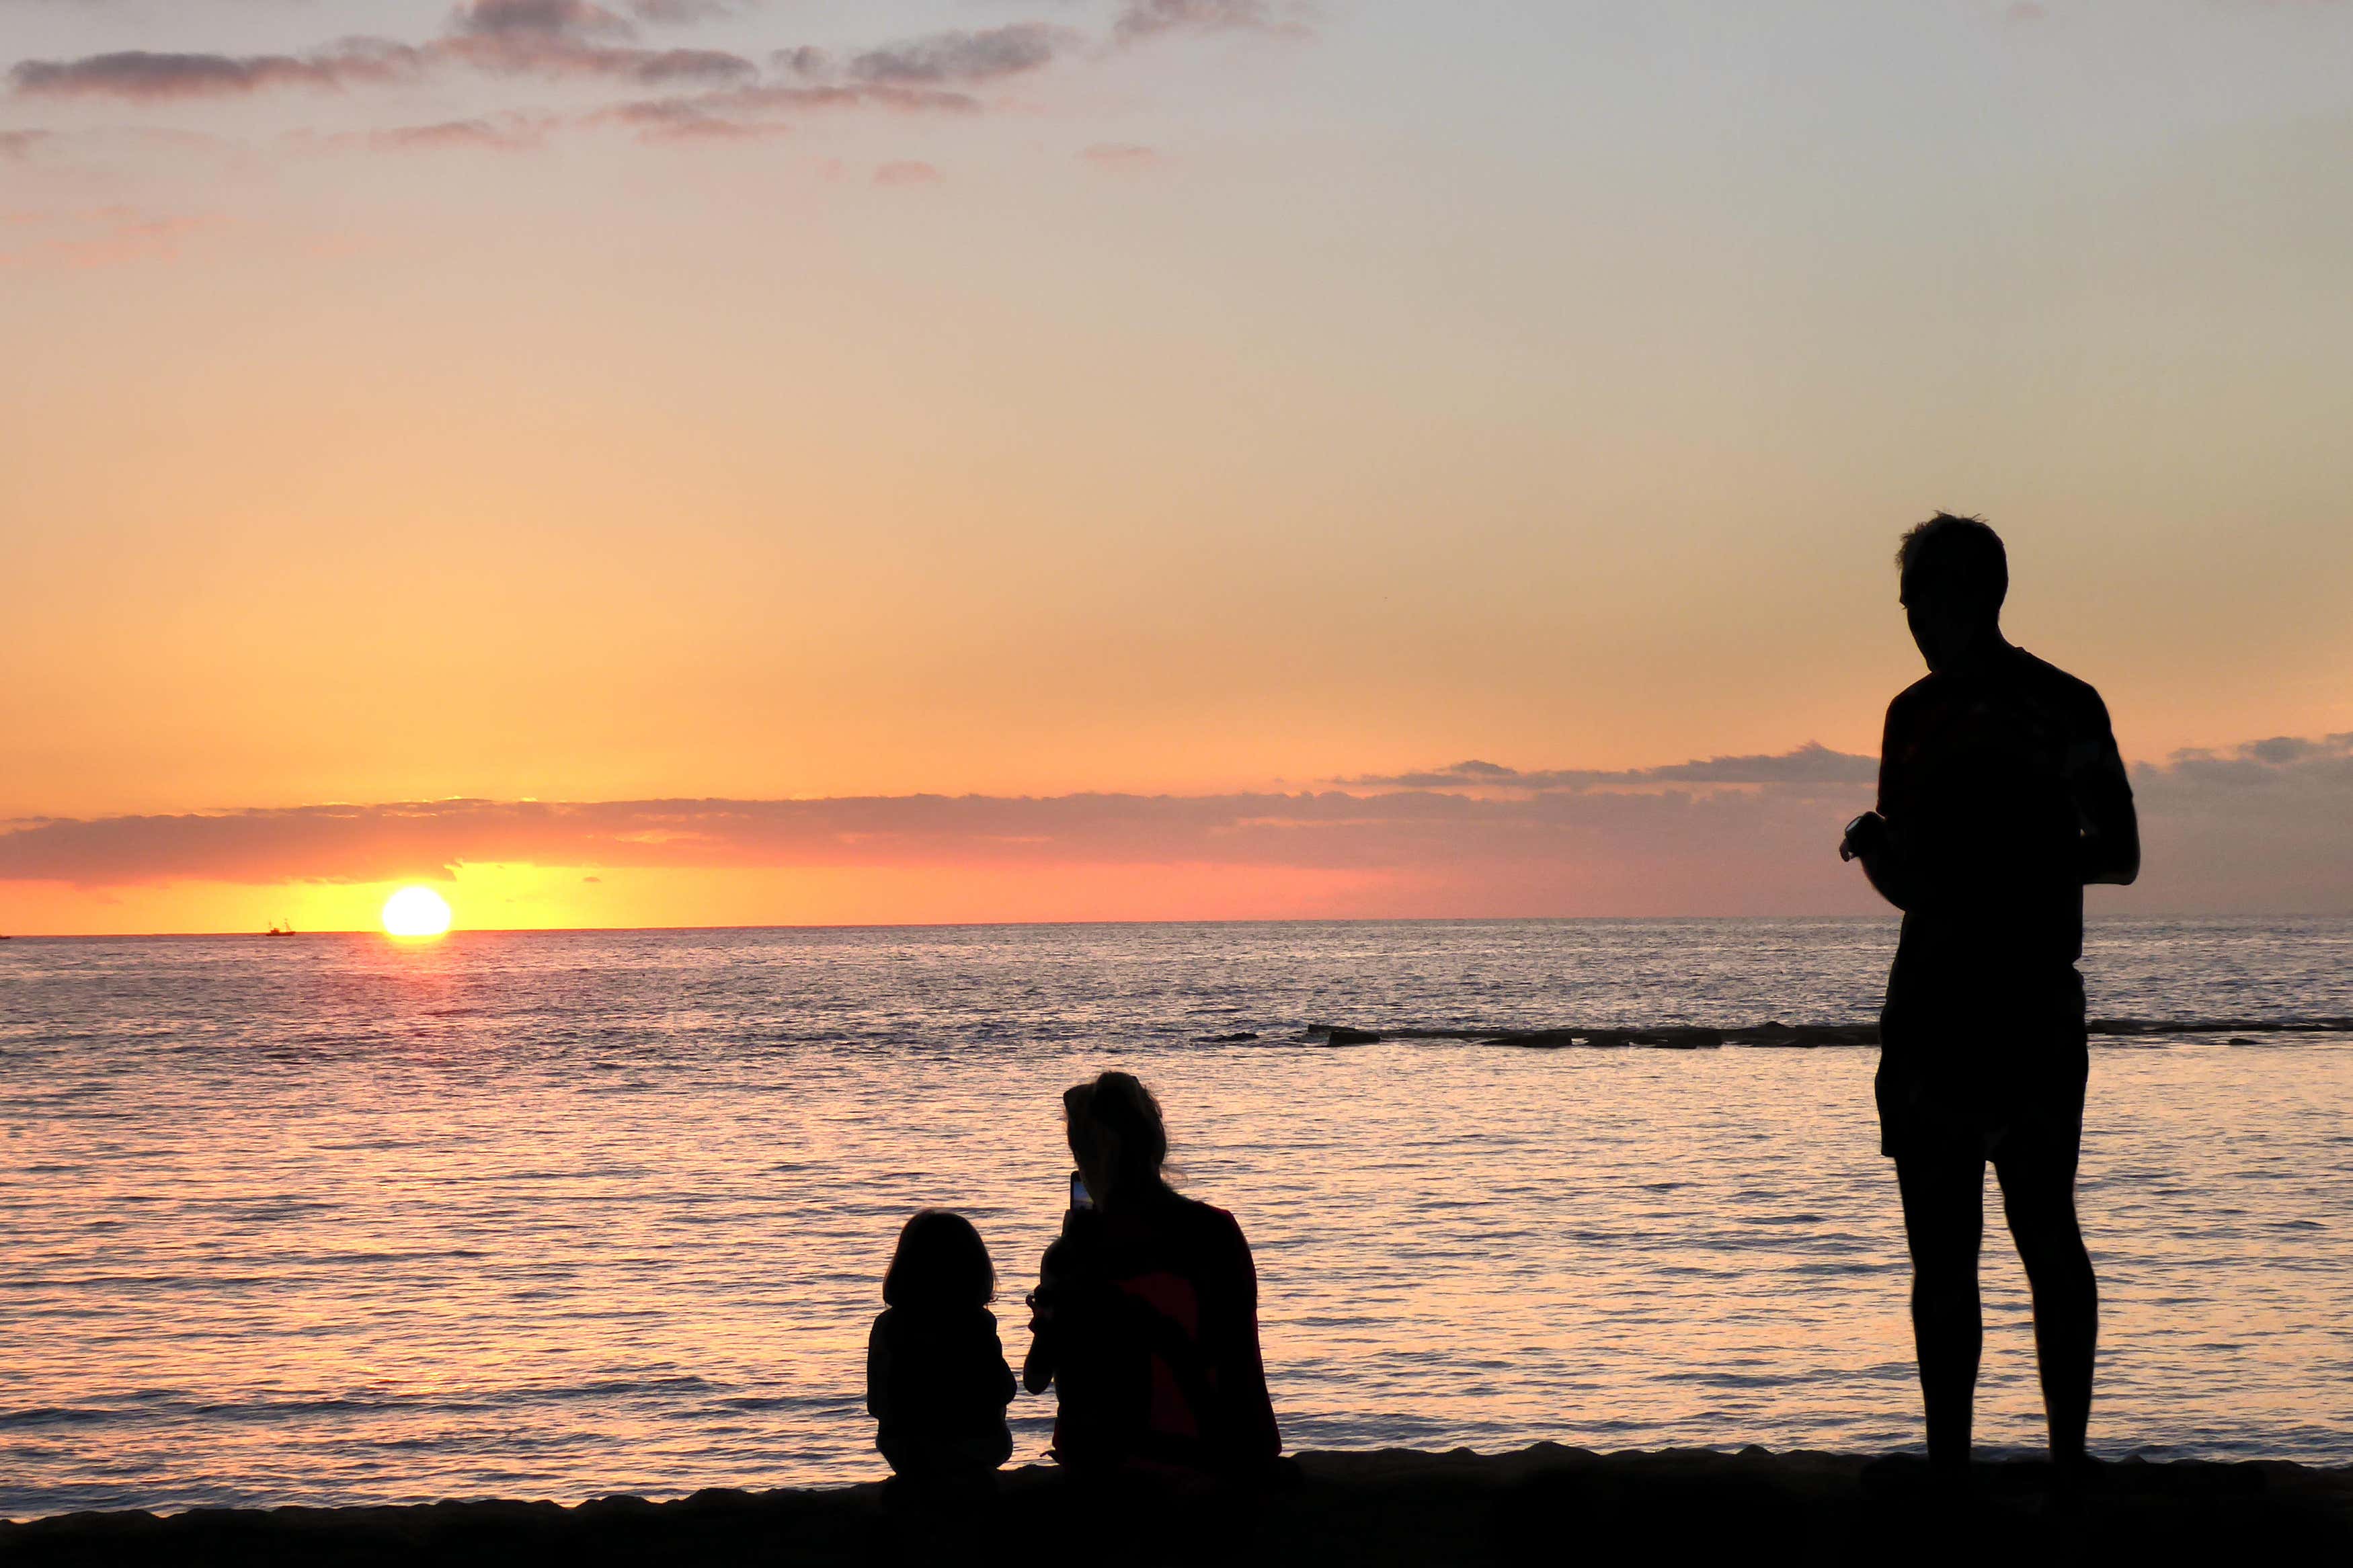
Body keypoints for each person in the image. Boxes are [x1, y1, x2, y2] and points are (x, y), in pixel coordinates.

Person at [1841, 513, 2139, 1479]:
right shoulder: (1909, 717)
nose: (1917, 623)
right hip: (1931, 1013)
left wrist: (2014, 862)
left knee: (2046, 1237)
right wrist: (1880, 854)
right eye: (1909, 606)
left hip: (2027, 1013)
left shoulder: (2064, 708)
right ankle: (1949, 1471)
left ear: (1975, 595)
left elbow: (2121, 855)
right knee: (1943, 1261)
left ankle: (2067, 1463)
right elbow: (1920, 885)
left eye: (1925, 601)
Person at [1022, 1072, 1280, 1481]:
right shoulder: (1216, 1232)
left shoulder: (1072, 1254)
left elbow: (1035, 1379)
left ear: (1087, 1164)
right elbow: (1239, 1363)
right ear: (1155, 1147)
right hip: (1212, 1465)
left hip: (1105, 1475)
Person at [867, 1210, 1018, 1483]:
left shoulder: (887, 1325)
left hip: (906, 1453)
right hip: (974, 1449)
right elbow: (1003, 1390)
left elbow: (877, 1404)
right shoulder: (976, 1324)